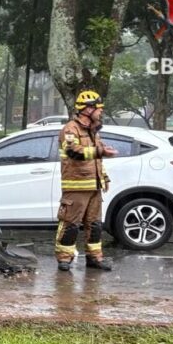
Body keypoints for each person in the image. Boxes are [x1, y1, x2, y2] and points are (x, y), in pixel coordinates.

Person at [55, 90, 118, 271]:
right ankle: (64, 258)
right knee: (70, 224)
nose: (101, 112)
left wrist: (104, 177)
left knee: (95, 225)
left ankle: (95, 258)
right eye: (98, 108)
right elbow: (73, 152)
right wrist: (100, 151)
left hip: (94, 186)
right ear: (87, 109)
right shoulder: (70, 129)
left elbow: (97, 158)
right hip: (75, 186)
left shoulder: (93, 132)